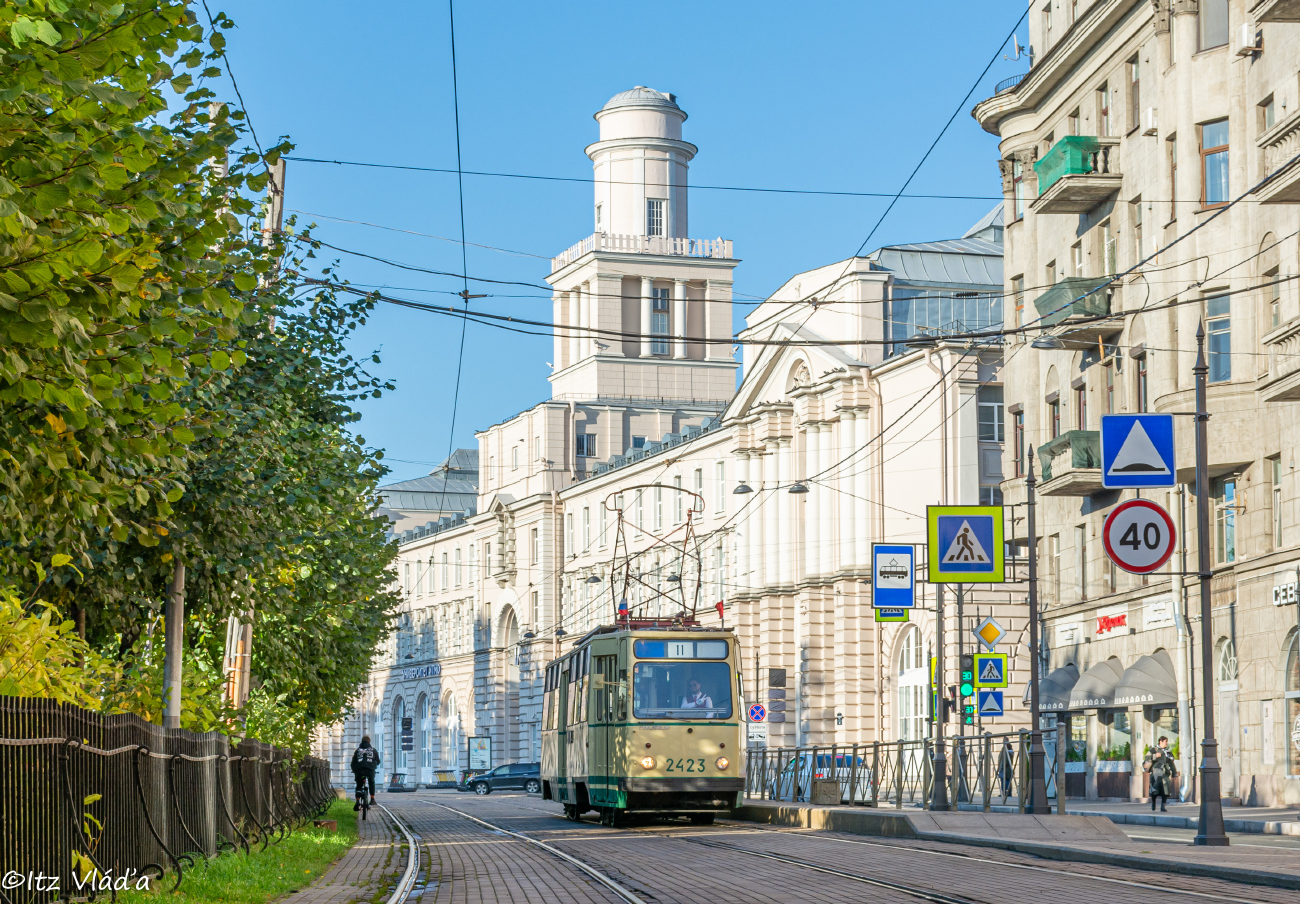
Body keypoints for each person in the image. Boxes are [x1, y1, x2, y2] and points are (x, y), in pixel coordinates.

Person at [1143, 735, 1178, 812]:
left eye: (1167, 741)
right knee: (1155, 790)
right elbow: (1146, 758)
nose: (1167, 743)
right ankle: (1153, 802)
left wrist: (1174, 773)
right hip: (1156, 774)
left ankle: (1163, 807)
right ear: (1160, 741)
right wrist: (1155, 756)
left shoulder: (1168, 752)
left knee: (1165, 790)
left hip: (1165, 774)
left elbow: (1171, 763)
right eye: (1165, 741)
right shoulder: (1154, 750)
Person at [351, 735, 381, 810]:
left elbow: (353, 762)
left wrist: (354, 770)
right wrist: (374, 766)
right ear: (369, 742)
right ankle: (372, 799)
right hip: (370, 770)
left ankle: (357, 801)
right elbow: (378, 761)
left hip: (359, 770)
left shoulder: (357, 750)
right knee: (371, 782)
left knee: (359, 785)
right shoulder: (373, 750)